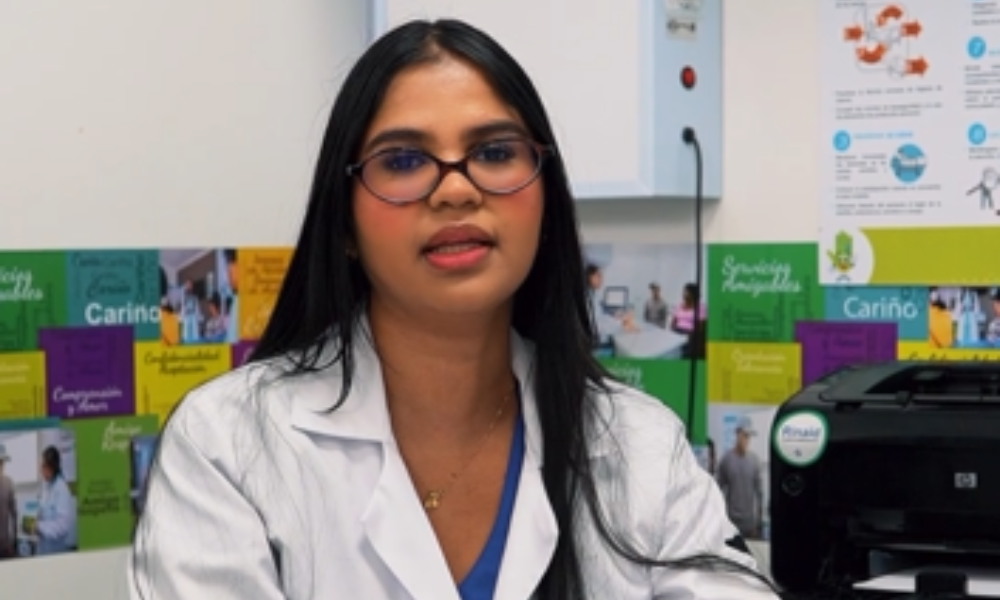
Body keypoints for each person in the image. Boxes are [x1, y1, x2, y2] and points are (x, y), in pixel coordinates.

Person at [129, 19, 778, 599]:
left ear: (545, 197)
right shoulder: (228, 446)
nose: (457, 190)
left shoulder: (638, 444)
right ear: (345, 221)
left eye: (494, 153)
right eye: (403, 160)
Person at [716, 417, 764, 540]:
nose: (747, 440)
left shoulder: (754, 461)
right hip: (731, 522)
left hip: (750, 524)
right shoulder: (726, 460)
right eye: (745, 435)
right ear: (737, 434)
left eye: (749, 437)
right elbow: (717, 491)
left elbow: (759, 494)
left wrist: (758, 523)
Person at [28, 446, 75, 555]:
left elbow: (62, 526)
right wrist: (36, 518)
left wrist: (39, 527)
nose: (40, 470)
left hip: (55, 550)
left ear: (51, 467)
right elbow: (43, 509)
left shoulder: (62, 489)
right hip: (43, 548)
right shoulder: (47, 486)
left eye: (43, 466)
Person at [0, 444, 17, 559]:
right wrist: (14, 541)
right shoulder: (8, 483)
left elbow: (14, 514)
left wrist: (13, 540)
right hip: (5, 544)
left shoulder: (8, 483)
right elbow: (14, 514)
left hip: (5, 544)